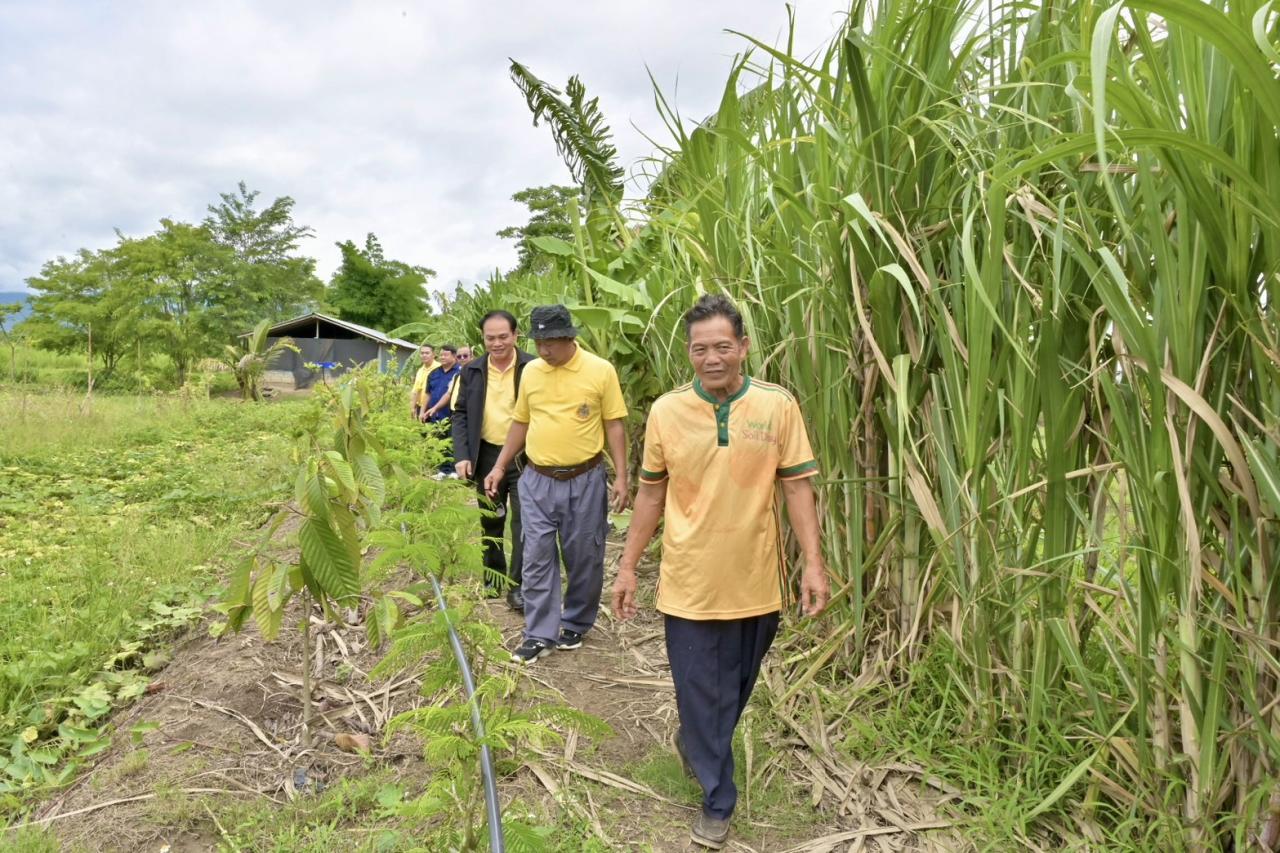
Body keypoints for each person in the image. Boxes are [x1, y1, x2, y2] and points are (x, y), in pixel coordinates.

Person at [611, 294, 830, 850]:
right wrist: (628, 566)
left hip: (758, 579)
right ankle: (717, 797)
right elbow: (650, 497)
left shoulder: (778, 407)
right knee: (698, 690)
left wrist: (814, 563)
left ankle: (698, 742)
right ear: (689, 352)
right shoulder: (665, 411)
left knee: (733, 690)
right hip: (688, 579)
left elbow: (798, 487)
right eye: (700, 349)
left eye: (723, 347)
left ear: (744, 347)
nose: (712, 358)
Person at [483, 305, 629, 664]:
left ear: (569, 338)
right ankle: (538, 633)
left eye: (551, 342)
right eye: (539, 341)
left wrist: (622, 477)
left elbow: (614, 425)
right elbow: (521, 422)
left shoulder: (600, 371)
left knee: (583, 556)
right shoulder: (531, 372)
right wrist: (500, 466)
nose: (544, 350)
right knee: (535, 556)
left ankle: (575, 622)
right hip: (537, 479)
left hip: (585, 479)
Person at [452, 314, 535, 609]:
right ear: (482, 338)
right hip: (486, 455)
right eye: (490, 338)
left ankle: (518, 586)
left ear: (515, 335)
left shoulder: (533, 367)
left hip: (525, 456)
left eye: (503, 337)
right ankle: (493, 576)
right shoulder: (472, 370)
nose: (497, 343)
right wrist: (461, 455)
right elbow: (460, 414)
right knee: (491, 518)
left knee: (524, 521)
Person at [423, 345, 461, 477]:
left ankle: (453, 471)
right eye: (441, 355)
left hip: (451, 415)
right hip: (435, 415)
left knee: (452, 442)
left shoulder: (459, 372)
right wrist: (423, 411)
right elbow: (427, 393)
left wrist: (435, 408)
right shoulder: (434, 373)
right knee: (439, 443)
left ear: (454, 356)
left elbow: (449, 394)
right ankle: (442, 471)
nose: (442, 357)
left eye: (446, 355)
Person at [409, 344, 436, 421]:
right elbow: (415, 390)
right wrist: (413, 407)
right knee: (421, 431)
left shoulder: (439, 369)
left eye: (427, 353)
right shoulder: (420, 370)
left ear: (433, 354)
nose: (424, 355)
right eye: (422, 353)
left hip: (433, 407)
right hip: (420, 406)